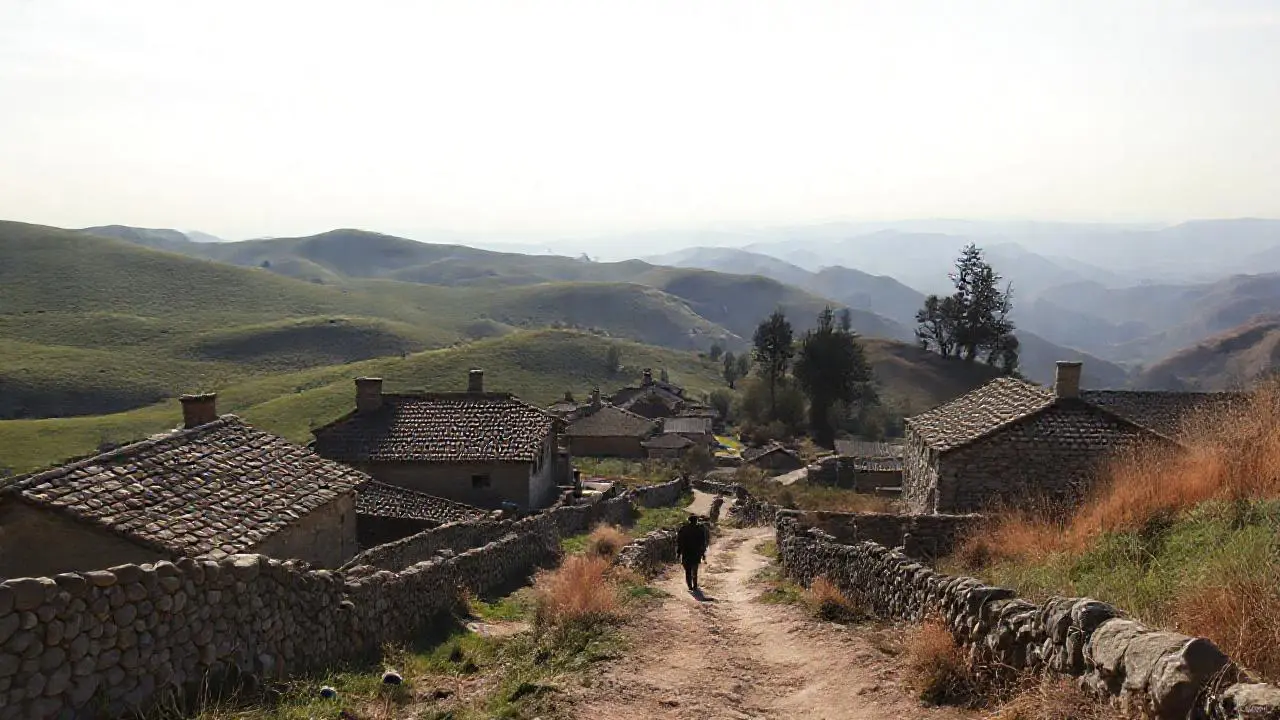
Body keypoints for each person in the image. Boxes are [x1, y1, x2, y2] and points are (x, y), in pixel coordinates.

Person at [676, 514, 709, 592]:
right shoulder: (700, 530)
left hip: (686, 552)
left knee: (688, 570)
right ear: (696, 521)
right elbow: (703, 543)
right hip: (696, 553)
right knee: (695, 570)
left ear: (689, 520)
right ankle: (695, 585)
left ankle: (690, 586)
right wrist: (703, 554)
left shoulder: (683, 529)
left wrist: (678, 552)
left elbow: (679, 542)